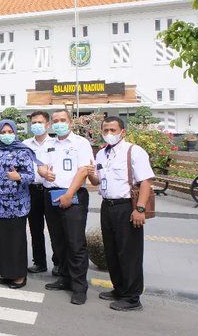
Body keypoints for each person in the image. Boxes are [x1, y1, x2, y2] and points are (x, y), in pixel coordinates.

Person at [85, 116, 154, 311]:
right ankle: (119, 289)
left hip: (127, 207)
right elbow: (98, 181)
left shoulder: (134, 151)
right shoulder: (101, 154)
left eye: (113, 130)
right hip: (107, 206)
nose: (108, 134)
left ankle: (132, 298)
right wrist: (91, 174)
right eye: (105, 130)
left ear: (122, 132)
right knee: (112, 251)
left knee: (129, 253)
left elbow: (146, 182)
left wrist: (140, 209)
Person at [38, 109, 94, 305]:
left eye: (63, 120)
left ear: (70, 122)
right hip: (50, 196)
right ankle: (64, 277)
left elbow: (84, 170)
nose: (59, 123)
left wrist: (69, 194)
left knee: (75, 243)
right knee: (58, 241)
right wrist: (44, 173)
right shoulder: (49, 144)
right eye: (55, 121)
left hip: (73, 195)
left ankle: (79, 287)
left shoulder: (81, 143)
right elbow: (41, 165)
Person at [0, 119, 36, 289]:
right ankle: (7, 274)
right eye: (3, 132)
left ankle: (19, 276)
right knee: (1, 241)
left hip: (15, 205)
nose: (6, 135)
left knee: (15, 241)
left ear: (15, 132)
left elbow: (30, 176)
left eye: (9, 132)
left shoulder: (23, 151)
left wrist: (19, 177)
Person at [23, 111, 58, 275]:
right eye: (34, 122)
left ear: (48, 124)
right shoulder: (25, 144)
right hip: (31, 190)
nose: (36, 125)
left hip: (51, 190)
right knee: (35, 228)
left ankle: (58, 263)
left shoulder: (56, 143)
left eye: (40, 122)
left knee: (54, 228)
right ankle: (39, 262)